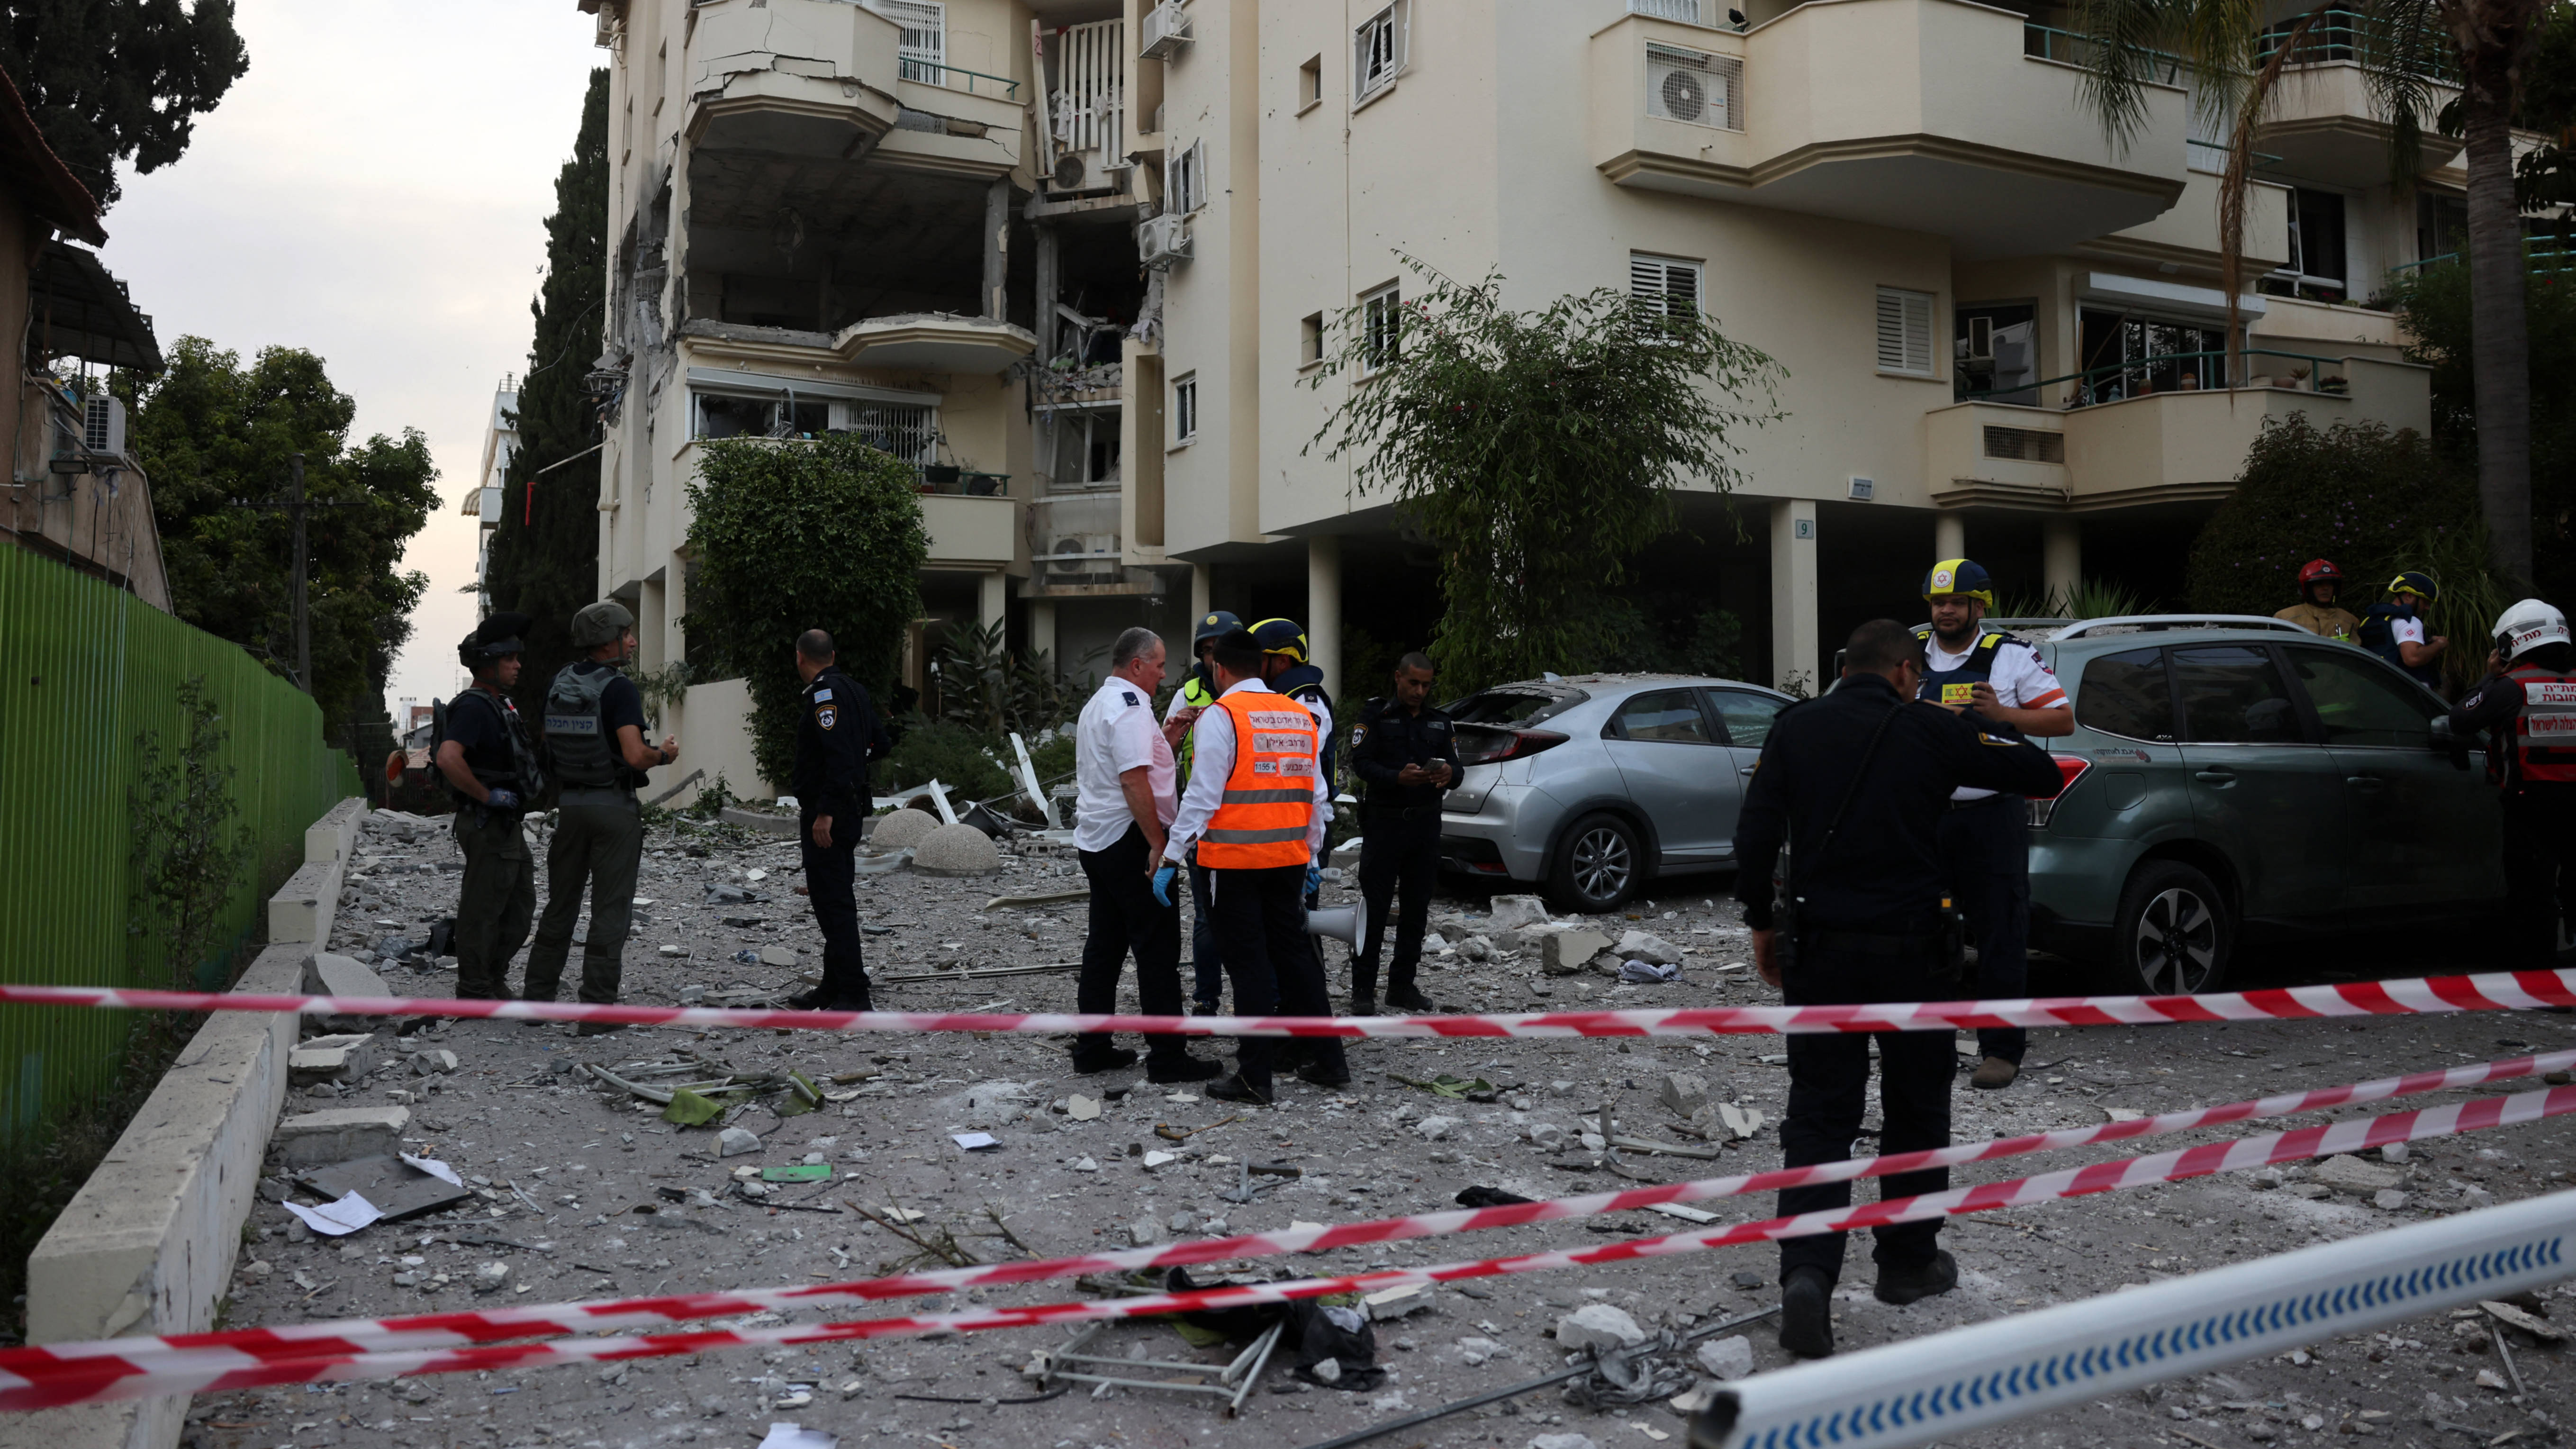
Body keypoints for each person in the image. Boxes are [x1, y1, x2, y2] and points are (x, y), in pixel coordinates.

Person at [1735, 618, 2065, 1360]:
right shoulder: (1929, 727)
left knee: (1820, 1114)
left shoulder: (1796, 727)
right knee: (1916, 1107)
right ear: (1905, 672)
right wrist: (1994, 721)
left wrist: (1762, 921)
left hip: (1820, 954)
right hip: (1916, 957)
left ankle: (1809, 1276)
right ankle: (1908, 1263)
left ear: (1844, 667)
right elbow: (2043, 776)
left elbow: (1754, 833)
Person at [1155, 625, 1347, 1103]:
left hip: (1233, 864)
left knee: (1248, 967)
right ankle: (1330, 1061)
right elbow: (1316, 795)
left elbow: (1202, 797)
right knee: (1295, 958)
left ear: (1218, 668)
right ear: (1261, 666)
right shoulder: (1298, 714)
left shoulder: (1223, 716)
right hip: (1286, 861)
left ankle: (1254, 1077)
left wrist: (1169, 856)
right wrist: (1311, 855)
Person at [1913, 559, 2071, 1091]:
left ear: (1979, 606)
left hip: (1991, 816)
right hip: (1927, 815)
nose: (1946, 611)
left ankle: (2001, 1051)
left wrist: (2004, 714)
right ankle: (1922, 1043)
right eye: (1938, 602)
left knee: (2002, 935)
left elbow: (2061, 720)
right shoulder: (1910, 654)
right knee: (1923, 934)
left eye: (1956, 602)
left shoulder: (2009, 655)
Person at [1070, 627, 1222, 1080]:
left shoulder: (1101, 703)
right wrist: (1160, 844)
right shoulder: (1131, 709)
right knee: (1157, 952)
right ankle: (1168, 1059)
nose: (1162, 674)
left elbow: (1138, 765)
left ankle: (1092, 1047)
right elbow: (1134, 781)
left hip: (1097, 840)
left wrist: (1169, 738)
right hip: (1129, 841)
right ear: (1137, 666)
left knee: (1105, 948)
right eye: (1158, 665)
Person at [520, 603, 676, 1027]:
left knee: (561, 906)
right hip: (613, 809)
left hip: (569, 808)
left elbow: (546, 742)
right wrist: (664, 755)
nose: (632, 641)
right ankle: (597, 1009)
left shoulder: (560, 682)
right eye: (626, 633)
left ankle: (537, 1000)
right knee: (610, 909)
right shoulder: (618, 688)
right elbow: (634, 755)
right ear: (607, 639)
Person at [2449, 599, 2576, 965]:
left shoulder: (2510, 686)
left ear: (2511, 643)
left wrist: (2489, 675)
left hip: (2531, 805)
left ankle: (2539, 984)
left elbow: (2459, 719)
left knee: (2531, 893)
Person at [434, 612, 546, 1002]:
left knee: (518, 908)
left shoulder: (501, 704)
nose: (518, 665)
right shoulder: (474, 707)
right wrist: (485, 795)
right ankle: (475, 988)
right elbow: (449, 758)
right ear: (488, 663)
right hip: (486, 823)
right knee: (483, 910)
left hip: (506, 824)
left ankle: (493, 978)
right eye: (509, 659)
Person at [1347, 651, 1458, 1014]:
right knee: (1374, 910)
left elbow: (1457, 768)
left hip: (1425, 826)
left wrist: (1448, 775)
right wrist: (1396, 777)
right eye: (1413, 683)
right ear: (1398, 677)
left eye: (1426, 685)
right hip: (1385, 822)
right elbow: (1360, 763)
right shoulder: (1376, 716)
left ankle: (1402, 986)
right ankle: (1363, 989)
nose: (1419, 691)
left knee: (1416, 911)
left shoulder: (1440, 722)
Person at [792, 629, 893, 1011]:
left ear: (800, 658)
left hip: (830, 815)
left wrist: (825, 812)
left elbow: (837, 757)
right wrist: (855, 760)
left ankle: (853, 991)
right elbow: (880, 744)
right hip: (849, 808)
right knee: (834, 898)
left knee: (833, 903)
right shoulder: (855, 690)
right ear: (832, 655)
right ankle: (833, 986)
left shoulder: (824, 695)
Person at [1162, 609, 1241, 1014]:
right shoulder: (1187, 695)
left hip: (1247, 826)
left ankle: (1264, 1003)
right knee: (1206, 921)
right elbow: (1163, 756)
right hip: (1201, 827)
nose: (1212, 657)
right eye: (1206, 650)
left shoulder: (1254, 694)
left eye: (1219, 649)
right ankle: (1207, 999)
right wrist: (1175, 734)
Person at [2360, 571, 2448, 690]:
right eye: (2425, 602)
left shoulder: (2369, 621)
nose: (2427, 608)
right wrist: (2440, 644)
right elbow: (2413, 658)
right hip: (2406, 697)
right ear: (2409, 597)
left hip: (2373, 690)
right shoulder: (2408, 621)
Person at [2275, 559, 2362, 643]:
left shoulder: (2350, 621)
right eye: (2319, 584)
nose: (2326, 588)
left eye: (2330, 584)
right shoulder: (2285, 618)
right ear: (2308, 589)